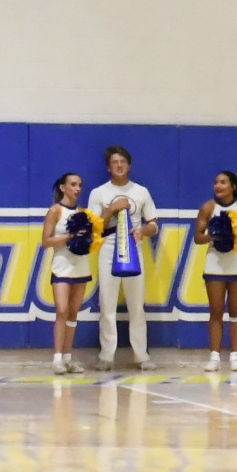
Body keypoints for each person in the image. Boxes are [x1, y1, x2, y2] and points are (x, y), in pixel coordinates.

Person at [87, 145, 159, 371]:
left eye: (123, 162)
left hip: (134, 248)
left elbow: (154, 225)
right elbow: (93, 227)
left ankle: (141, 355)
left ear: (129, 165)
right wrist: (112, 209)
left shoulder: (141, 191)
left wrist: (143, 232)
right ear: (108, 167)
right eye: (114, 162)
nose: (119, 165)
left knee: (136, 304)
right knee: (106, 303)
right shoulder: (99, 192)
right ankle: (106, 355)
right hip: (108, 247)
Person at [194, 171, 237, 373]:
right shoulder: (208, 207)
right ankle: (214, 356)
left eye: (222, 182)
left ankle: (235, 356)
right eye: (215, 182)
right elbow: (197, 237)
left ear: (233, 186)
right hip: (215, 263)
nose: (217, 186)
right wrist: (215, 235)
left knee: (236, 310)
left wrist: (236, 233)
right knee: (216, 310)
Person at [40, 172, 92, 375]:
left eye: (80, 185)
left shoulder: (84, 213)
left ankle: (69, 358)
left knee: (72, 313)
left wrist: (87, 239)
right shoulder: (55, 211)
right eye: (73, 184)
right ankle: (57, 358)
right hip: (61, 266)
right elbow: (46, 241)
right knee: (61, 310)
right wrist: (70, 237)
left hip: (81, 265)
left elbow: (91, 238)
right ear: (63, 187)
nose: (77, 189)